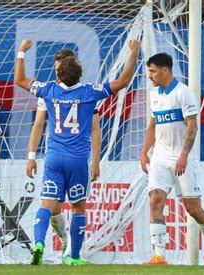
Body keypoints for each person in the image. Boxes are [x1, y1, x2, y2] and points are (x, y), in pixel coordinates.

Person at [15, 38, 140, 265]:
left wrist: (22, 52)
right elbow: (123, 81)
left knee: (46, 205)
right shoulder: (89, 92)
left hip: (53, 157)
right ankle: (73, 257)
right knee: (78, 207)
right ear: (80, 75)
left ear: (59, 75)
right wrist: (133, 52)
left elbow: (20, 79)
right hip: (78, 159)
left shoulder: (49, 90)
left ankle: (40, 243)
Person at [140, 53, 204, 265]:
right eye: (150, 72)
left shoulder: (184, 94)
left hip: (183, 158)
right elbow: (153, 124)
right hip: (160, 158)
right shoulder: (154, 93)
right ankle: (160, 255)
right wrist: (144, 151)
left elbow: (192, 127)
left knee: (192, 208)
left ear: (165, 70)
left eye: (153, 71)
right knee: (155, 200)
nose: (150, 76)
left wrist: (183, 155)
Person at [26, 49, 103, 259]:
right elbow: (38, 124)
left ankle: (49, 245)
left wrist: (96, 160)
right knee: (60, 208)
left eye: (61, 65)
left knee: (51, 205)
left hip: (58, 156)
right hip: (68, 156)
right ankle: (67, 244)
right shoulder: (51, 91)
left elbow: (95, 128)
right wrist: (31, 155)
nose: (57, 69)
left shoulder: (77, 92)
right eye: (56, 64)